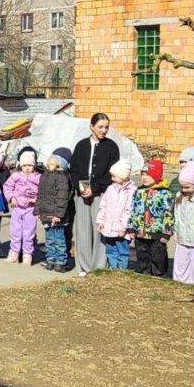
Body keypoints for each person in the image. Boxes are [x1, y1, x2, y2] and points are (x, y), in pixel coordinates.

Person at [69, 114, 120, 277]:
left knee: (99, 228)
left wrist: (95, 187)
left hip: (101, 193)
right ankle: (83, 266)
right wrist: (82, 188)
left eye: (106, 127)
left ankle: (98, 265)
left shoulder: (111, 147)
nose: (104, 130)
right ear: (92, 127)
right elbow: (74, 169)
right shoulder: (82, 145)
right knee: (83, 229)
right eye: (100, 127)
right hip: (82, 192)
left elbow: (112, 172)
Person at [127, 158, 174, 277]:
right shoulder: (139, 191)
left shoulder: (164, 193)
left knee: (158, 255)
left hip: (157, 233)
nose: (144, 178)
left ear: (156, 176)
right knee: (142, 254)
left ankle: (159, 275)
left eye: (148, 175)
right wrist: (131, 227)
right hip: (140, 231)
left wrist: (167, 233)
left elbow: (168, 214)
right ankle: (144, 273)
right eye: (142, 174)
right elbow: (133, 210)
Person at [34, 150, 73, 271]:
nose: (50, 159)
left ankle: (61, 262)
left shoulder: (62, 177)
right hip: (46, 214)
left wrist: (58, 215)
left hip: (57, 216)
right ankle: (51, 260)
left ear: (60, 164)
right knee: (49, 239)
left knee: (59, 239)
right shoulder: (44, 176)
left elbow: (62, 198)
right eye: (50, 158)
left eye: (54, 158)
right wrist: (38, 210)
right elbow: (40, 195)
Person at [95, 160, 136, 271]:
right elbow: (103, 205)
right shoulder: (110, 188)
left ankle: (122, 271)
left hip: (121, 230)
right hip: (109, 227)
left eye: (114, 176)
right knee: (111, 250)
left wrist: (123, 227)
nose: (112, 179)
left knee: (122, 251)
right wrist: (100, 221)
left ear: (123, 176)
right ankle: (113, 269)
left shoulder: (131, 191)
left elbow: (129, 210)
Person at [3, 151, 42, 266]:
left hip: (30, 209)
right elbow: (7, 187)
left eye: (30, 165)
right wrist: (11, 197)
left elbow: (43, 192)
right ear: (20, 165)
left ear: (34, 166)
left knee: (29, 232)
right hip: (17, 208)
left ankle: (27, 254)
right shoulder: (16, 176)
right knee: (15, 231)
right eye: (24, 165)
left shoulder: (38, 177)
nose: (27, 168)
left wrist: (36, 199)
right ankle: (14, 253)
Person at [173, 161, 194, 285]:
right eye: (182, 187)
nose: (184, 190)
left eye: (187, 187)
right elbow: (177, 215)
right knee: (181, 262)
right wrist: (176, 231)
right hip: (182, 236)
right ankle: (180, 282)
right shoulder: (180, 196)